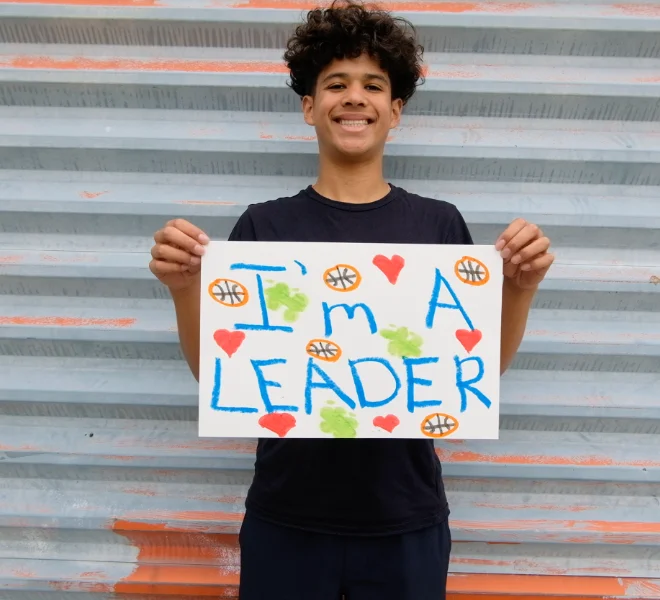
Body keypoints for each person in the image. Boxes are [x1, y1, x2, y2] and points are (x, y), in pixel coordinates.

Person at [149, 1, 554, 598]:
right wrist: (184, 289)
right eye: (335, 84)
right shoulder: (264, 229)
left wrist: (520, 289)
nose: (354, 97)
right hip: (285, 519)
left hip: (406, 520)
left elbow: (474, 371)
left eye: (373, 85)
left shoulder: (439, 227)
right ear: (310, 106)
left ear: (396, 110)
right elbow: (222, 376)